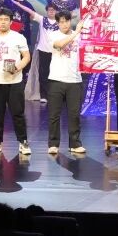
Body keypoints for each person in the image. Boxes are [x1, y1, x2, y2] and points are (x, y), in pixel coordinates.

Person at [0, 7, 32, 156]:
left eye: (6, 20)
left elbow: (26, 57)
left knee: (18, 113)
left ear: (11, 22)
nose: (3, 22)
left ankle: (23, 142)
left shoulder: (18, 37)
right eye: (0, 19)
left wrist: (17, 67)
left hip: (15, 81)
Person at [46, 10, 86, 155]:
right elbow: (60, 45)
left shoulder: (80, 36)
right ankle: (53, 144)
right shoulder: (53, 35)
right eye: (61, 22)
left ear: (70, 21)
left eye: (67, 21)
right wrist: (76, 33)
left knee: (74, 115)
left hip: (75, 80)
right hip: (56, 79)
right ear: (57, 23)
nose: (64, 24)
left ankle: (75, 144)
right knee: (54, 115)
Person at [9, 0, 58, 103]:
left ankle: (55, 95)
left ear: (56, 11)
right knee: (43, 73)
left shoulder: (60, 22)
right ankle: (44, 95)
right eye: (49, 10)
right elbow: (29, 11)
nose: (51, 11)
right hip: (43, 51)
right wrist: (19, 4)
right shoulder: (42, 19)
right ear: (47, 11)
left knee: (55, 73)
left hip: (56, 52)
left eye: (53, 10)